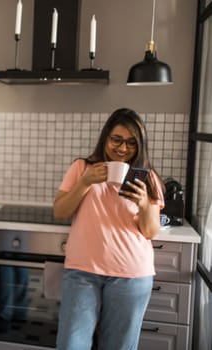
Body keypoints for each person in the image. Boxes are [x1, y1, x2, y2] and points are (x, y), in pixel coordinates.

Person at [53, 108, 165, 350]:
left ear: (140, 146)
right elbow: (60, 212)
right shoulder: (82, 168)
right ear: (105, 138)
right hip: (82, 272)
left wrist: (144, 203)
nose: (122, 148)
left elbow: (150, 232)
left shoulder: (149, 179)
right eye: (116, 139)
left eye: (131, 143)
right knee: (70, 345)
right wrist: (86, 182)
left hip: (131, 276)